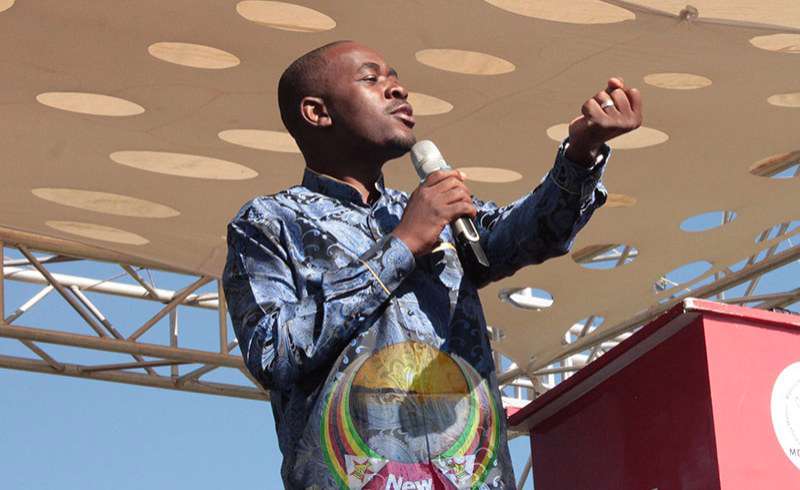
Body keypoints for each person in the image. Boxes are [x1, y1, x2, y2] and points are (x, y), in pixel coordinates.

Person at [223, 40, 642, 489]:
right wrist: (401, 246)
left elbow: (532, 233)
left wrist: (581, 153)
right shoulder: (270, 222)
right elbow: (271, 351)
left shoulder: (434, 211)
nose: (397, 89)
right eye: (372, 79)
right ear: (317, 112)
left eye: (396, 78)